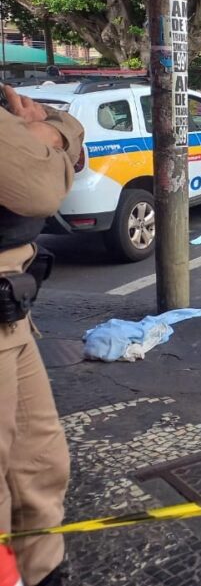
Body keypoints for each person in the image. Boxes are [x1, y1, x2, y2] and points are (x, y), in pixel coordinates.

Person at [0, 83, 84, 586]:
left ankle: (44, 572)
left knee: (40, 459)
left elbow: (76, 139)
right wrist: (52, 137)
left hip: (13, 306)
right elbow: (38, 188)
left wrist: (47, 130)